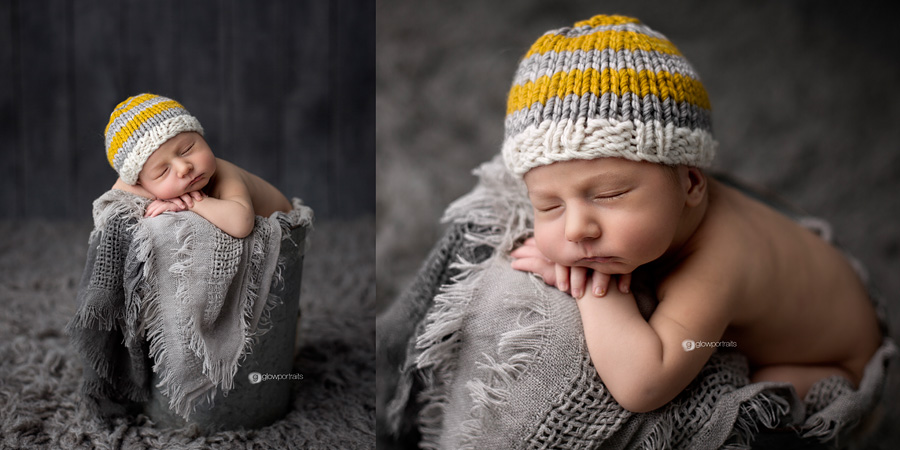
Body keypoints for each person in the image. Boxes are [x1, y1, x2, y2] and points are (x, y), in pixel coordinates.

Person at [506, 15, 882, 413]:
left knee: (735, 398)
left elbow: (643, 386)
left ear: (691, 184)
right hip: (818, 296)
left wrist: (594, 290)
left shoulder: (719, 261)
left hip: (833, 361)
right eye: (549, 205)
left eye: (610, 195)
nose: (576, 228)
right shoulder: (670, 209)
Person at [105, 93, 292, 238]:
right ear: (141, 183)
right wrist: (166, 197)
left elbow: (241, 224)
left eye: (187, 149)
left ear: (200, 136)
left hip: (287, 227)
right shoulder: (145, 182)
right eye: (163, 171)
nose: (184, 167)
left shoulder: (224, 174)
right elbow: (119, 188)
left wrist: (191, 202)